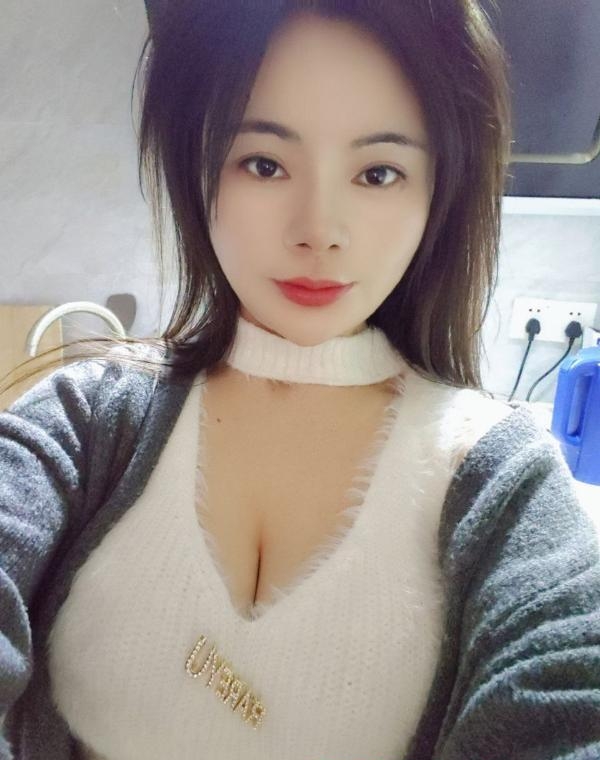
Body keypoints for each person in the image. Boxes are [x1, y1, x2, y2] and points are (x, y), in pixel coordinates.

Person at [1, 1, 599, 758]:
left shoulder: (502, 485)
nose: (319, 229)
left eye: (378, 172)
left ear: (438, 193)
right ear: (196, 167)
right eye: (264, 163)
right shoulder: (84, 423)